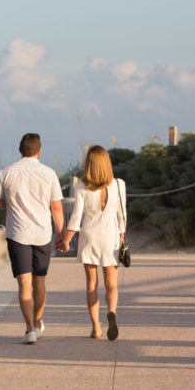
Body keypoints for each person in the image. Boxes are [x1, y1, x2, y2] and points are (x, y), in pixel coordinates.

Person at [0, 133, 65, 344]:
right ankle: (38, 321)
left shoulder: (6, 171)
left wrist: (10, 206)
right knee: (39, 281)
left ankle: (30, 329)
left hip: (17, 234)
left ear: (19, 150)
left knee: (24, 283)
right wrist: (61, 233)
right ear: (39, 151)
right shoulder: (49, 173)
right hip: (42, 234)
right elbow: (56, 207)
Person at [57, 145, 126, 341]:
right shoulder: (119, 184)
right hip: (111, 236)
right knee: (111, 284)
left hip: (89, 236)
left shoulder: (81, 186)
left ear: (89, 164)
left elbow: (76, 217)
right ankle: (111, 311)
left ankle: (96, 328)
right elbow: (123, 215)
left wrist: (66, 240)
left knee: (92, 284)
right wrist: (121, 237)